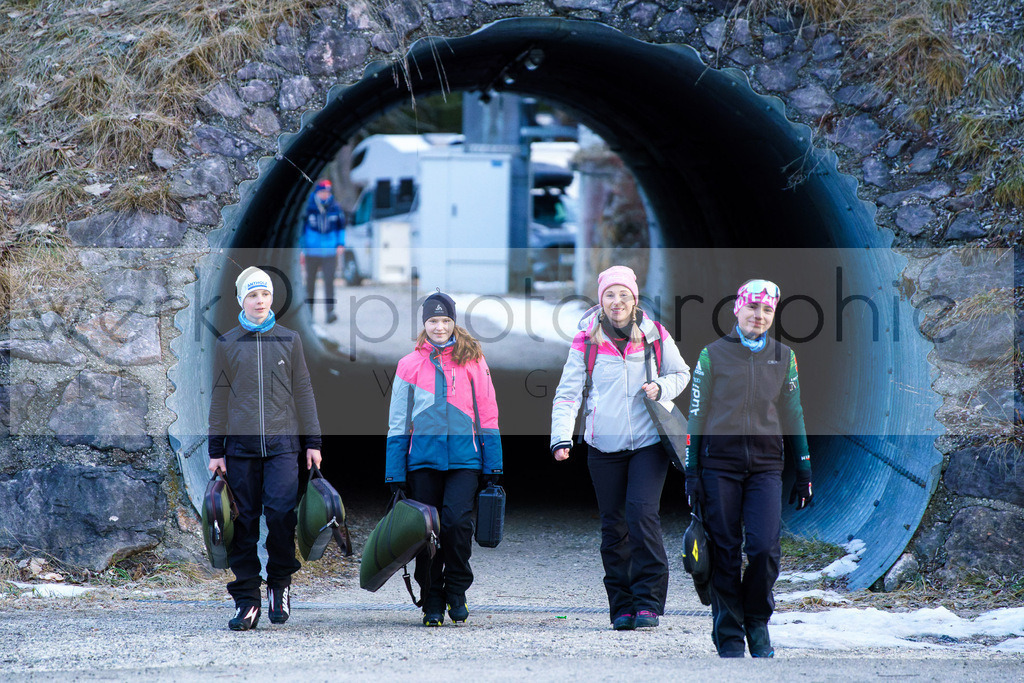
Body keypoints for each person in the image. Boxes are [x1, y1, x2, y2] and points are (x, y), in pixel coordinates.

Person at [550, 266, 691, 631]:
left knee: (641, 516)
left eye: (624, 295)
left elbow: (681, 373)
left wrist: (661, 387)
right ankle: (622, 606)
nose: (617, 302)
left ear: (634, 298)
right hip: (603, 445)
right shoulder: (585, 341)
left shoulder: (655, 335)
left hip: (648, 443)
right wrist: (561, 438)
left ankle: (648, 602)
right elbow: (567, 395)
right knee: (614, 527)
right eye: (610, 295)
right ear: (601, 300)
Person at [685, 279, 814, 658]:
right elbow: (696, 416)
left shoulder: (784, 357)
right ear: (737, 310)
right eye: (752, 308)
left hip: (765, 467)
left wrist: (804, 469)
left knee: (763, 549)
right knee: (724, 550)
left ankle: (756, 622)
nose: (759, 316)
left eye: (767, 310)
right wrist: (692, 471)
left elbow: (794, 413)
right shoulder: (711, 355)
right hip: (718, 465)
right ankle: (728, 632)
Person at [208, 266, 323, 631]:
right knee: (243, 525)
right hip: (240, 450)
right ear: (241, 299)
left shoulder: (289, 340)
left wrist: (313, 442)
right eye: (253, 295)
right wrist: (216, 450)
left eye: (266, 295)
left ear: (273, 299)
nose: (260, 301)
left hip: (283, 447)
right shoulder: (227, 343)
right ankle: (247, 600)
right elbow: (219, 399)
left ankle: (279, 586)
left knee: (280, 516)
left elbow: (304, 392)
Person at [384, 292, 503, 626]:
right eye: (433, 321)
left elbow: (488, 413)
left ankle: (457, 590)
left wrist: (493, 464)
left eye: (445, 320)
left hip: (466, 460)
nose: (439, 326)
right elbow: (397, 420)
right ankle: (432, 599)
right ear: (425, 324)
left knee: (456, 525)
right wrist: (395, 472)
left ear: (454, 323)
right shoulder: (408, 365)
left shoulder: (473, 359)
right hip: (421, 461)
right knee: (426, 532)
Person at [301, 178, 345, 324]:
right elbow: (301, 230)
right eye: (322, 192)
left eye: (327, 192)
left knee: (329, 281)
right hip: (312, 251)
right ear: (317, 193)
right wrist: (302, 248)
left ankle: (330, 312)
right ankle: (309, 313)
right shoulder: (309, 207)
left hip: (329, 251)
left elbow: (340, 228)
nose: (325, 195)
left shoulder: (335, 208)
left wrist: (340, 244)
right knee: (310, 282)